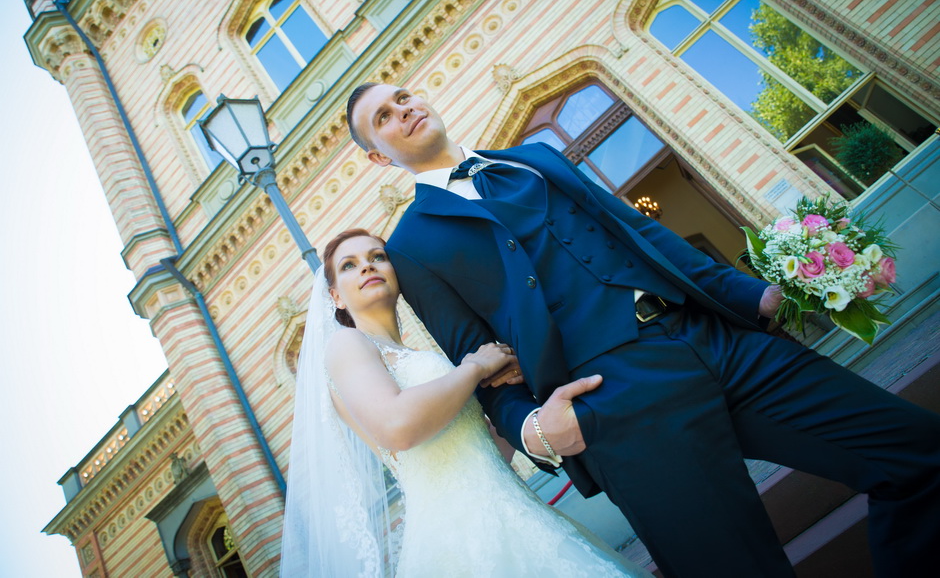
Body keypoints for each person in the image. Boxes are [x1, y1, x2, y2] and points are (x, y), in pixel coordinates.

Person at [345, 82, 940, 577]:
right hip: (616, 403)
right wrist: (533, 428)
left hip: (717, 340)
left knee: (915, 455)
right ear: (378, 156)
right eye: (385, 118)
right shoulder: (412, 246)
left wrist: (755, 295)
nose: (404, 111)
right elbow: (480, 365)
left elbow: (644, 234)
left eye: (403, 97)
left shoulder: (536, 158)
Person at [279, 228, 650, 577]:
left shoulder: (402, 354)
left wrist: (514, 385)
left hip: (510, 510)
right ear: (336, 297)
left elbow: (479, 452)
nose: (367, 265)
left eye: (377, 256)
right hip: (457, 535)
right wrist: (473, 368)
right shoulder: (347, 344)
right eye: (349, 265)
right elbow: (397, 426)